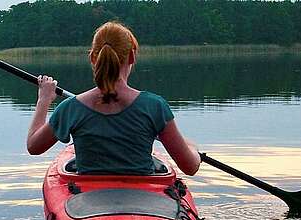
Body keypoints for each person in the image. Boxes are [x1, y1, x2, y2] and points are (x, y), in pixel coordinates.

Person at [26, 21, 200, 176]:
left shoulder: (70, 108)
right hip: (143, 202)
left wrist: (44, 100)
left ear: (93, 58)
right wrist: (193, 149)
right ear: (132, 56)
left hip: (88, 203)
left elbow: (34, 146)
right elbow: (190, 167)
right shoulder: (155, 106)